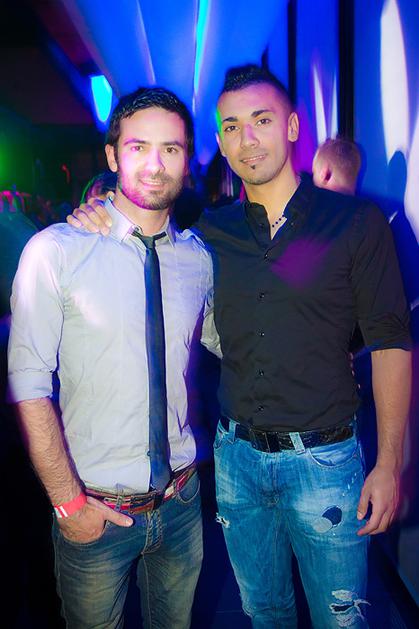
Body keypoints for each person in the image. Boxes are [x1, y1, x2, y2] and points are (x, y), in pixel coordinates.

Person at [68, 65, 411, 628]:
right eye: (232, 127)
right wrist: (99, 210)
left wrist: (390, 463)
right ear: (221, 143)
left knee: (342, 620)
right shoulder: (208, 233)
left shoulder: (354, 223)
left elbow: (391, 343)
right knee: (263, 613)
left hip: (325, 463)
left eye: (261, 120)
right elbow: (145, 228)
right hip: (237, 462)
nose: (247, 138)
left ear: (292, 127)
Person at [8, 86, 219, 629]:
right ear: (112, 156)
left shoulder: (198, 259)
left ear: (187, 161)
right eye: (138, 147)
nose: (155, 164)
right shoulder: (56, 251)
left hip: (181, 502)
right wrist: (68, 504)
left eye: (171, 149)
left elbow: (225, 342)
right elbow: (28, 383)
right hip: (96, 512)